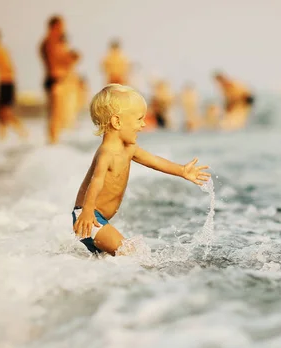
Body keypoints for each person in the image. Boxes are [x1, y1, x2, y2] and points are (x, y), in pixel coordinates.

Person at [72, 84, 210, 255]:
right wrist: (86, 212)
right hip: (88, 216)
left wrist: (182, 170)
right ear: (117, 122)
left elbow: (154, 160)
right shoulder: (107, 152)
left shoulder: (129, 148)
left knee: (114, 258)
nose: (143, 124)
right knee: (129, 253)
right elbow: (96, 181)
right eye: (139, 119)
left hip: (97, 218)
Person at [39, 16, 75, 144]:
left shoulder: (52, 42)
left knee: (56, 114)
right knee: (55, 114)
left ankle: (54, 142)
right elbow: (54, 63)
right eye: (61, 26)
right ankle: (53, 142)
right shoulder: (50, 42)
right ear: (55, 27)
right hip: (55, 80)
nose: (63, 29)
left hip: (55, 79)